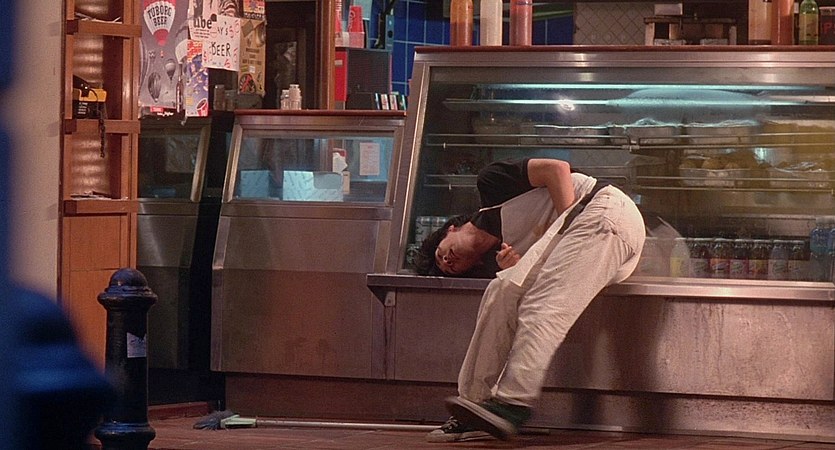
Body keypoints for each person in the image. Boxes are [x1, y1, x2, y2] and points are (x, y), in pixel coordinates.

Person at [415, 157, 646, 442]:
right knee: (500, 291)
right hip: (585, 230)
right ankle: (473, 405)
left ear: (450, 229)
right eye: (449, 267)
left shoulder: (491, 184)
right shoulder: (502, 256)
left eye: (441, 253)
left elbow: (556, 169)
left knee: (544, 305)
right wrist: (519, 263)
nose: (447, 261)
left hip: (603, 212)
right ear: (473, 267)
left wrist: (565, 227)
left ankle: (513, 403)